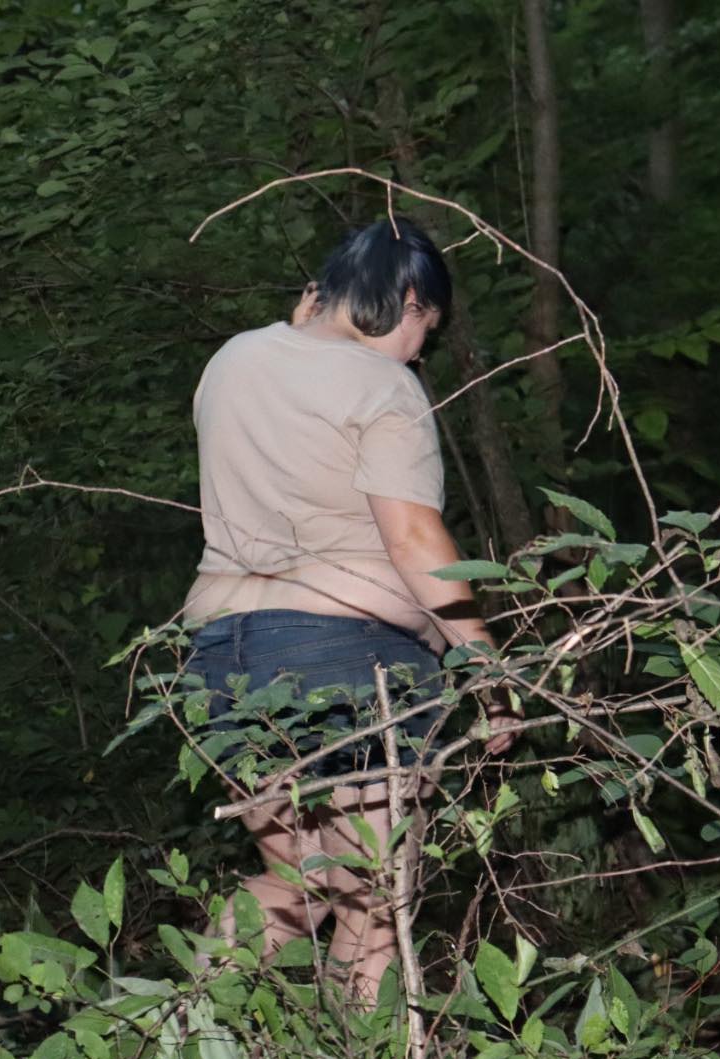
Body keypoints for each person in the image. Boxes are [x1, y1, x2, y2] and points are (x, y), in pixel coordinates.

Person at [182, 217, 518, 1002]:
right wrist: (485, 665)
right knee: (375, 897)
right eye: (425, 330)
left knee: (297, 884)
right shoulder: (383, 383)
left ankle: (179, 1036)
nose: (420, 353)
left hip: (220, 658)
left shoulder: (231, 361)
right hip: (345, 661)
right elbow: (412, 538)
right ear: (410, 300)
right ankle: (362, 1052)